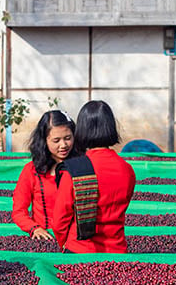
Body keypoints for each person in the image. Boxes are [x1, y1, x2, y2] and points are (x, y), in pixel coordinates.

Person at [53, 100, 136, 253]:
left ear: (82, 130)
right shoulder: (127, 170)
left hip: (79, 251)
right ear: (111, 127)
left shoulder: (75, 170)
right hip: (117, 252)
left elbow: (59, 220)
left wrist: (64, 245)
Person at [11, 110, 76, 241]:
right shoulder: (31, 171)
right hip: (45, 238)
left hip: (76, 240)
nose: (63, 145)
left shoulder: (82, 166)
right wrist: (34, 228)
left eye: (68, 138)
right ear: (44, 141)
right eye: (56, 140)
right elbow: (19, 211)